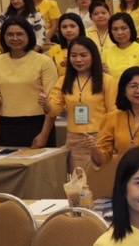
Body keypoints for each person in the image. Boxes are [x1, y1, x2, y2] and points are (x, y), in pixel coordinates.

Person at [0, 19, 58, 147]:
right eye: (10, 34)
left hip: (38, 123)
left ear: (29, 35)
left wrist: (44, 134)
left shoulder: (44, 62)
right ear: (3, 37)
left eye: (19, 34)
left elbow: (52, 103)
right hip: (7, 125)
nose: (15, 38)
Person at [48, 38, 114, 170]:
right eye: (73, 56)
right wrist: (46, 104)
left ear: (93, 56)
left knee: (100, 178)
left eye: (83, 55)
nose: (78, 60)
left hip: (99, 138)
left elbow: (113, 112)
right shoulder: (63, 80)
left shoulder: (107, 80)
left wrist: (108, 138)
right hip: (73, 139)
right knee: (78, 179)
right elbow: (54, 110)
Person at [100, 13, 139, 77]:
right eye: (115, 29)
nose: (119, 32)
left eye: (124, 28)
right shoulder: (106, 53)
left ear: (131, 29)